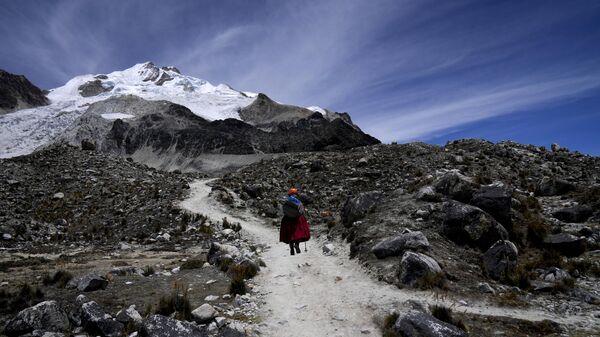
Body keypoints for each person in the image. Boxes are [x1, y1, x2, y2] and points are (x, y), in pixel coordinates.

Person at [279, 187, 311, 255]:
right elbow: (301, 211)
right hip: (298, 219)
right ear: (295, 194)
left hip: (287, 219)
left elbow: (284, 210)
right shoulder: (298, 201)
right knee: (298, 233)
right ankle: (297, 245)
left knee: (290, 235)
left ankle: (291, 249)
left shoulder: (287, 201)